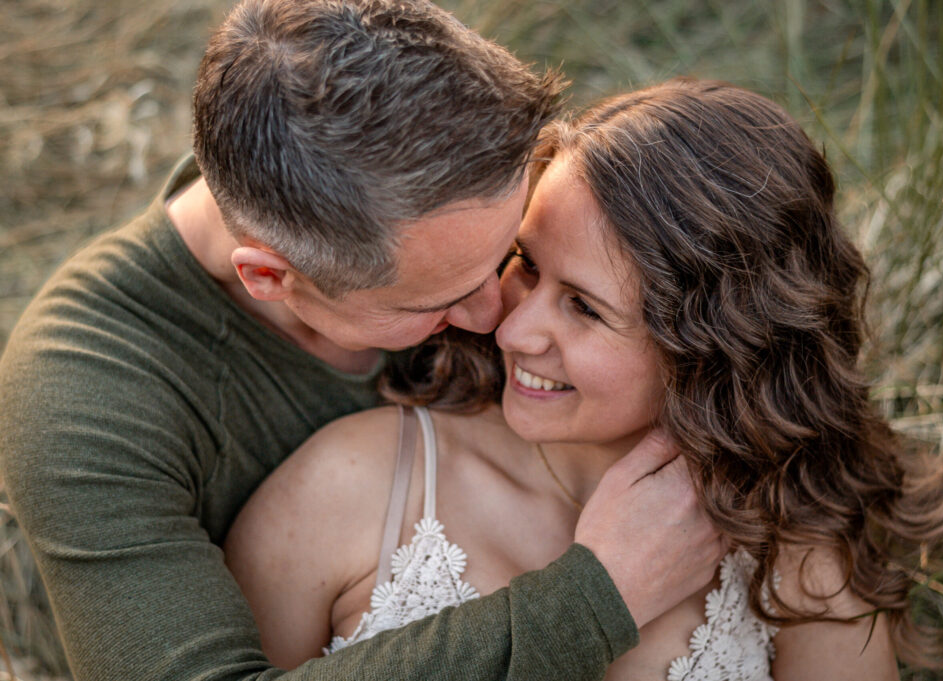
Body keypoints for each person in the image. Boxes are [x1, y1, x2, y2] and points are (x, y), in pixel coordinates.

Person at [0, 2, 724, 680]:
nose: (498, 317)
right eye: (440, 299)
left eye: (516, 253)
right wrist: (596, 599)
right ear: (269, 277)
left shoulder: (438, 186)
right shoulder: (81, 397)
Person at [225, 77, 943, 680]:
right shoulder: (343, 489)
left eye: (585, 308)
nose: (512, 326)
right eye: (525, 267)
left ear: (711, 346)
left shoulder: (795, 547)